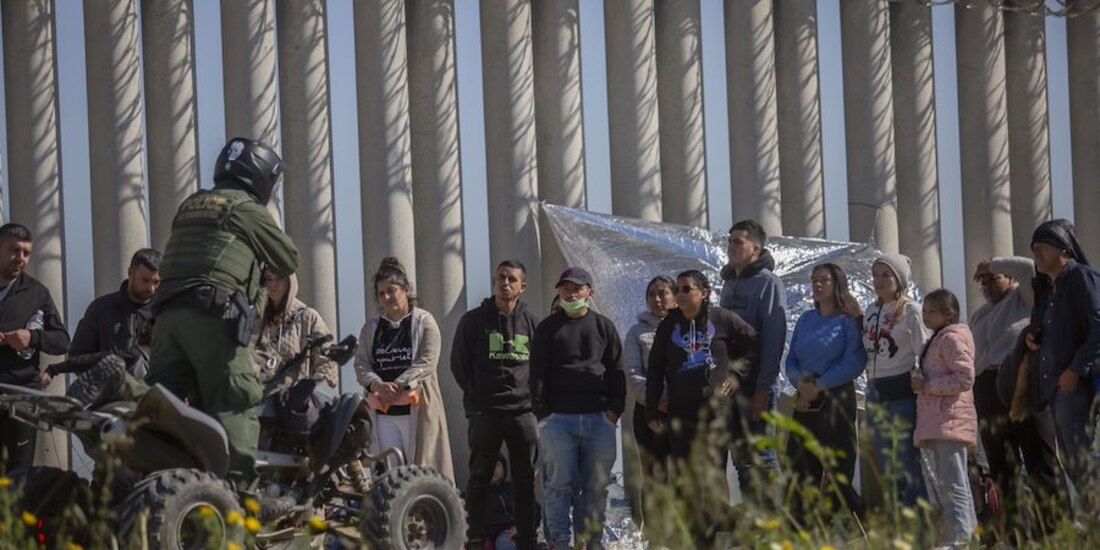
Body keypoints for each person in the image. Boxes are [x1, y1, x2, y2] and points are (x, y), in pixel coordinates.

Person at [143, 137, 299, 497]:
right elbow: (287, 259)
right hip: (212, 318)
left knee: (159, 405)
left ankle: (147, 482)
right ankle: (242, 504)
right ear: (259, 175)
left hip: (167, 318)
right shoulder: (245, 208)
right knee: (235, 400)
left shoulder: (191, 204)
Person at [645, 270, 757, 545]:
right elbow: (656, 368)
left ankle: (714, 539)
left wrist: (734, 375)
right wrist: (651, 409)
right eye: (679, 290)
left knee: (712, 479)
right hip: (680, 414)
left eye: (687, 289)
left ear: (703, 293)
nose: (680, 295)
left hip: (715, 412)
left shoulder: (722, 319)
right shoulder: (669, 324)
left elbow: (753, 345)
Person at [531, 266, 625, 550]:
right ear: (558, 291)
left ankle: (591, 542)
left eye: (577, 288)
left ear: (589, 292)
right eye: (565, 288)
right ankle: (560, 542)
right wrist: (543, 415)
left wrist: (613, 413)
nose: (571, 293)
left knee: (595, 488)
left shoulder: (604, 326)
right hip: (558, 420)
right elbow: (537, 374)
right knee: (558, 487)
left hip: (599, 419)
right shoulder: (547, 328)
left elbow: (617, 370)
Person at [970, 255, 1063, 536]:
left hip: (1021, 379)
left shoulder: (1024, 298)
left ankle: (1053, 528)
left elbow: (1028, 268)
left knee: (1038, 457)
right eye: (983, 281)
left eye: (994, 278)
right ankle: (1014, 531)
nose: (987, 285)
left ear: (1009, 278)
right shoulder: (980, 314)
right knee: (1001, 461)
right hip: (987, 386)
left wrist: (993, 262)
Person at [451, 260, 541, 550]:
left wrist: (534, 404)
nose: (505, 283)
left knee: (524, 481)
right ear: (493, 282)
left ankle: (526, 540)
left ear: (522, 286)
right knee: (478, 478)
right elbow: (458, 365)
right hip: (485, 413)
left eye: (512, 279)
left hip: (522, 414)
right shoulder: (474, 320)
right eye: (501, 278)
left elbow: (541, 367)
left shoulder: (532, 322)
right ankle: (475, 540)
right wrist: (477, 399)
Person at [355, 257, 454, 479]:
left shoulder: (424, 322)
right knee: (388, 474)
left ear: (406, 289)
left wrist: (398, 386)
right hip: (382, 414)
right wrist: (378, 385)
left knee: (420, 473)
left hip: (416, 410)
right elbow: (361, 362)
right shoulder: (371, 328)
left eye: (391, 290)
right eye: (381, 293)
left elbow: (427, 360)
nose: (386, 297)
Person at [785, 263, 866, 519]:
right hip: (805, 395)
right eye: (814, 280)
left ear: (837, 285)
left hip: (835, 395)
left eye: (824, 280)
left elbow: (854, 361)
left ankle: (845, 518)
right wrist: (800, 384)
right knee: (800, 460)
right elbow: (791, 359)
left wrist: (819, 386)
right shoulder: (806, 319)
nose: (817, 284)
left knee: (837, 461)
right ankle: (801, 524)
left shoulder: (847, 320)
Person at [1028, 219, 1100, 496]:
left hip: (1077, 382)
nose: (1036, 254)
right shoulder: (1048, 289)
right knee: (1071, 458)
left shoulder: (1081, 277)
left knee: (1080, 455)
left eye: (1042, 248)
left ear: (1064, 250)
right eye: (1033, 249)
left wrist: (1075, 369)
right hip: (1057, 386)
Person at [719, 219, 786, 490]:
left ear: (755, 250)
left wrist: (764, 387)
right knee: (741, 458)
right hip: (731, 385)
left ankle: (773, 525)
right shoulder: (728, 284)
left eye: (739, 242)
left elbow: (773, 338)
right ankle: (754, 524)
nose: (731, 247)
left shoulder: (768, 284)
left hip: (756, 385)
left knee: (761, 456)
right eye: (729, 241)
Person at [0, 223, 70, 471]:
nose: (20, 258)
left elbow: (62, 340)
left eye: (26, 253)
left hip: (22, 401)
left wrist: (32, 337)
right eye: (14, 250)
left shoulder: (37, 292)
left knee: (17, 478)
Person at [912, 289, 979, 547]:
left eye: (932, 310)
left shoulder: (951, 338)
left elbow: (964, 378)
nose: (926, 315)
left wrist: (927, 385)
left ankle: (959, 539)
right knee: (952, 481)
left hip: (949, 419)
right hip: (941, 419)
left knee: (953, 483)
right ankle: (968, 536)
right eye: (925, 309)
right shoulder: (939, 338)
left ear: (948, 314)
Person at [862, 253, 929, 508]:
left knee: (906, 462)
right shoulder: (871, 311)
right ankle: (898, 525)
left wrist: (922, 383)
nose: (879, 280)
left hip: (901, 395)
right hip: (875, 395)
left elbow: (924, 350)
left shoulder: (911, 310)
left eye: (886, 274)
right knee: (885, 463)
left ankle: (920, 525)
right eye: (876, 275)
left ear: (899, 279)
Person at [43, 248, 161, 384]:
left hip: (158, 396)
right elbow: (79, 357)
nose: (151, 288)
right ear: (130, 273)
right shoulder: (101, 308)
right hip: (112, 396)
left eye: (156, 282)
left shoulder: (165, 312)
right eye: (145, 281)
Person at [622, 275, 675, 525]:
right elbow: (633, 374)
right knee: (654, 477)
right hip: (649, 413)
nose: (658, 299)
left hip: (682, 412)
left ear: (675, 296)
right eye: (652, 294)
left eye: (663, 293)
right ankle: (656, 537)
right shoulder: (637, 332)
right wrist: (656, 402)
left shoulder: (688, 328)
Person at [252, 269, 338, 396]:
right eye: (268, 278)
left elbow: (326, 361)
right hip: (259, 401)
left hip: (292, 404)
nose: (273, 284)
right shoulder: (255, 319)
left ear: (290, 281)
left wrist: (309, 392)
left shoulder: (307, 317)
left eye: (279, 278)